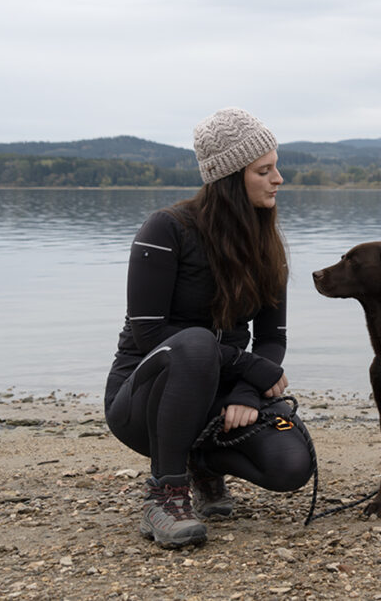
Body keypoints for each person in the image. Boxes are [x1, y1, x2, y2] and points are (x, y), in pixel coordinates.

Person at [104, 108, 313, 548]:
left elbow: (273, 339)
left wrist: (245, 392)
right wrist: (246, 366)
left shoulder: (268, 247)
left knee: (291, 465)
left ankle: (204, 467)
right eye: (265, 170)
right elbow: (148, 335)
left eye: (276, 166)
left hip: (218, 400)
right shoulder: (166, 230)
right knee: (195, 344)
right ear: (231, 177)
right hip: (141, 403)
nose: (279, 179)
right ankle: (165, 494)